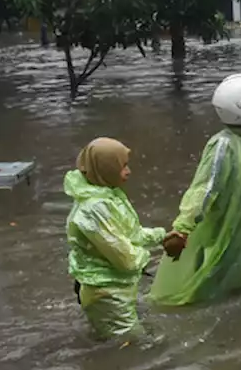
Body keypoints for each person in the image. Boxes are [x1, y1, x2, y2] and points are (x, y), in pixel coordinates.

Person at [148, 74, 241, 307]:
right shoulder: (224, 145)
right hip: (226, 232)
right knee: (212, 290)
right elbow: (204, 189)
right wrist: (182, 229)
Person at [65, 138, 167, 340]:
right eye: (122, 166)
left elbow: (131, 234)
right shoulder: (95, 209)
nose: (128, 172)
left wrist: (162, 236)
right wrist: (150, 256)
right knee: (137, 347)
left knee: (128, 341)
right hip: (106, 293)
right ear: (106, 169)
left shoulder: (108, 197)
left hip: (114, 288)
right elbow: (125, 259)